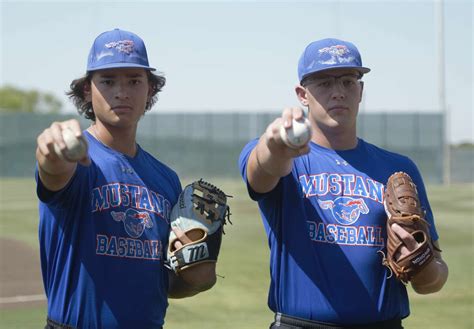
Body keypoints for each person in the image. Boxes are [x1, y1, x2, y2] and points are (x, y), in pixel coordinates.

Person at [238, 38, 448, 329]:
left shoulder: (398, 168)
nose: (338, 92)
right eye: (324, 83)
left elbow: (432, 281)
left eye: (348, 82)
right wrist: (275, 146)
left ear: (360, 91)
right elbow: (260, 172)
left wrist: (422, 262)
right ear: (302, 94)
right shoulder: (288, 160)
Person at [35, 28, 216, 329]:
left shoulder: (166, 180)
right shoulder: (77, 159)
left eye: (134, 80)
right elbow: (52, 170)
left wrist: (195, 279)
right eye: (107, 81)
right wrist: (52, 151)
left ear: (150, 90)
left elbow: (163, 281)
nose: (122, 92)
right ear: (87, 91)